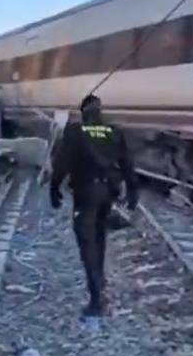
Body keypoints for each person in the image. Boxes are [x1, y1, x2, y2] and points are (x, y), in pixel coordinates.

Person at [49, 94, 139, 318]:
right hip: (108, 193)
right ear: (100, 112)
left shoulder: (75, 132)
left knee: (86, 240)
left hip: (86, 194)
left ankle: (96, 299)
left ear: (83, 113)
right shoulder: (114, 132)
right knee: (99, 236)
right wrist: (133, 191)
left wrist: (54, 188)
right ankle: (100, 278)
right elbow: (127, 163)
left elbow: (62, 162)